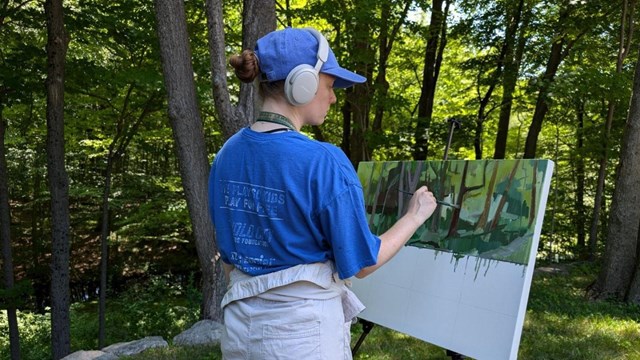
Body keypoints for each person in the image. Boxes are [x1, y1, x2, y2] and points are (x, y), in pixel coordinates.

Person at [208, 27, 437, 360]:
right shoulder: (323, 161)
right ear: (302, 84)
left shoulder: (228, 153)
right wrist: (414, 216)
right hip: (302, 339)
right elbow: (362, 264)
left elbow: (229, 261)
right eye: (329, 86)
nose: (332, 97)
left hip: (240, 333)